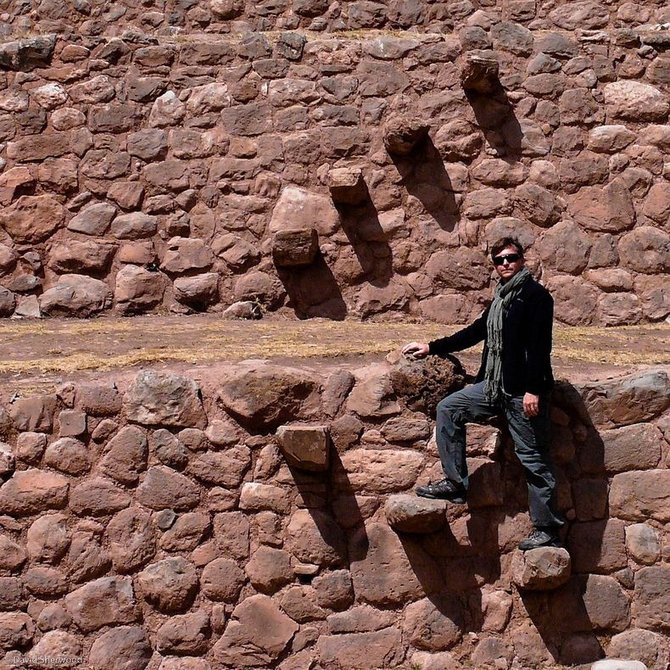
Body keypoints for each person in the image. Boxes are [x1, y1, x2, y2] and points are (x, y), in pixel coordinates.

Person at [402, 237, 564, 550]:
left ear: (521, 259)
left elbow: (540, 347)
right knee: (449, 408)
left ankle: (547, 530)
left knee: (534, 460)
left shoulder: (535, 296)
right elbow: (475, 332)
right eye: (499, 260)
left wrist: (533, 390)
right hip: (492, 387)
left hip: (522, 394)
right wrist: (432, 347)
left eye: (511, 258)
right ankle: (455, 483)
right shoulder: (499, 300)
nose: (505, 264)